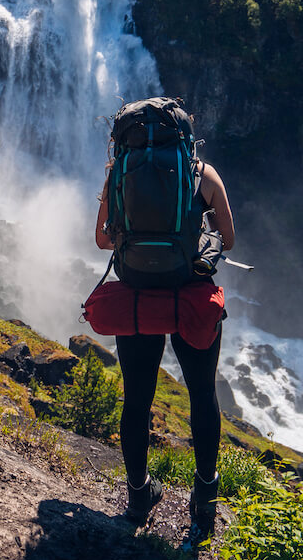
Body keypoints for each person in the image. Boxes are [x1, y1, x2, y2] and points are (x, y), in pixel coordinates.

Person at [94, 146, 235, 538]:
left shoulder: (119, 172)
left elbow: (102, 240)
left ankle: (139, 496)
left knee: (137, 398)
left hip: (137, 296)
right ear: (185, 137)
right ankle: (204, 503)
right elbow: (230, 239)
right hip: (190, 296)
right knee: (203, 395)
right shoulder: (203, 174)